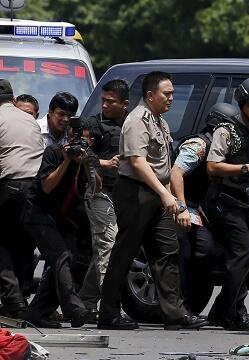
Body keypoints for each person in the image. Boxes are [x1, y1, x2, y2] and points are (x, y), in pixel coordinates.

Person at [98, 71, 205, 331]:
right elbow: (138, 163)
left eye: (171, 94)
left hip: (157, 194)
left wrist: (174, 201)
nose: (171, 98)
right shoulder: (137, 120)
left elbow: (164, 167)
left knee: (167, 252)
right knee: (125, 253)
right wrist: (165, 194)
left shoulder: (161, 123)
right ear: (150, 95)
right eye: (166, 94)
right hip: (135, 192)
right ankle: (109, 314)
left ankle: (175, 314)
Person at [205, 77, 249, 331]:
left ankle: (223, 310)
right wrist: (246, 168)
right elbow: (212, 167)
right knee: (241, 256)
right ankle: (233, 312)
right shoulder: (226, 130)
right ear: (242, 102)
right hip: (226, 202)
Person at [21, 120, 98, 328]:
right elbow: (47, 186)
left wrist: (84, 163)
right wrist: (66, 161)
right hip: (38, 214)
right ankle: (74, 308)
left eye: (84, 139)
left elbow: (95, 187)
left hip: (61, 218)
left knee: (68, 260)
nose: (79, 143)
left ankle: (37, 312)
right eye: (75, 138)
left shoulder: (88, 157)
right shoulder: (53, 152)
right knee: (61, 256)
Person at [170, 102, 239, 314]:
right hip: (184, 205)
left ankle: (191, 306)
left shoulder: (224, 148)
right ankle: (178, 307)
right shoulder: (199, 145)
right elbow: (176, 173)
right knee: (189, 253)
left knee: (206, 252)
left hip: (203, 208)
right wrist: (181, 208)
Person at [78, 79, 129, 315]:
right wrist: (104, 162)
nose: (105, 105)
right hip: (99, 192)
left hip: (124, 195)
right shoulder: (94, 124)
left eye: (111, 101)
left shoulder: (133, 124)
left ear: (124, 104)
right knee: (108, 243)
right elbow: (78, 150)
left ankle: (85, 303)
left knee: (105, 247)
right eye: (103, 100)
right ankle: (111, 308)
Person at [0, 80, 44, 319]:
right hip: (36, 188)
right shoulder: (29, 119)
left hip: (10, 185)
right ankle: (22, 294)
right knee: (23, 241)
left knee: (3, 242)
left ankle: (13, 297)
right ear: (13, 99)